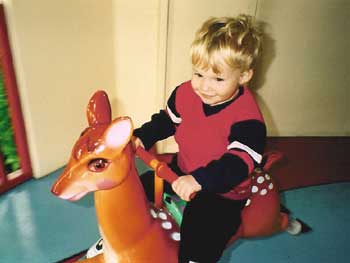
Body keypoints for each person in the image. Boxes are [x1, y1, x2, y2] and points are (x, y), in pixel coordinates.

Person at [89, 14, 268, 262]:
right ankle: (120, 238)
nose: (205, 87)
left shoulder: (248, 120)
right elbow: (166, 121)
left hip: (222, 190)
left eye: (218, 79)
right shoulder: (185, 93)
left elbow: (236, 164)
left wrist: (199, 180)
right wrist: (142, 136)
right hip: (181, 169)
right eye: (199, 74)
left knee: (201, 226)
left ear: (245, 76)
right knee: (136, 190)